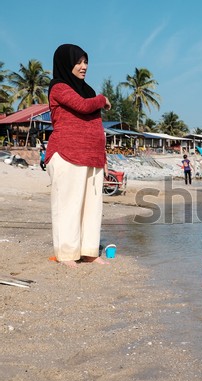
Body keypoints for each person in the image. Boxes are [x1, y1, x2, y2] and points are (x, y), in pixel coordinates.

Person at [45, 44, 112, 267]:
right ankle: (66, 254)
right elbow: (82, 107)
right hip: (67, 154)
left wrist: (102, 157)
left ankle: (89, 251)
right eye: (78, 62)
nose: (84, 66)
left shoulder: (89, 90)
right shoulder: (58, 87)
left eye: (86, 62)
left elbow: (95, 125)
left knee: (92, 208)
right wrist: (102, 99)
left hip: (91, 156)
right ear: (66, 63)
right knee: (69, 205)